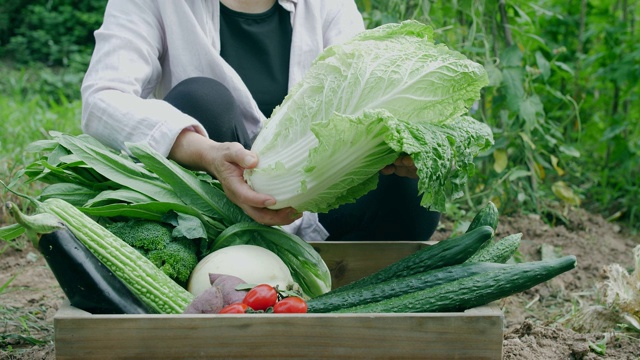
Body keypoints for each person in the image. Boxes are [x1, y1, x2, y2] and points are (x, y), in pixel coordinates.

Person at [81, 0, 440, 242]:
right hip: (215, 201)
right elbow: (103, 98)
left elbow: (365, 94)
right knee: (200, 98)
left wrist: (401, 148)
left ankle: (346, 276)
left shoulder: (329, 5)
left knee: (410, 199)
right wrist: (205, 151)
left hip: (321, 200)